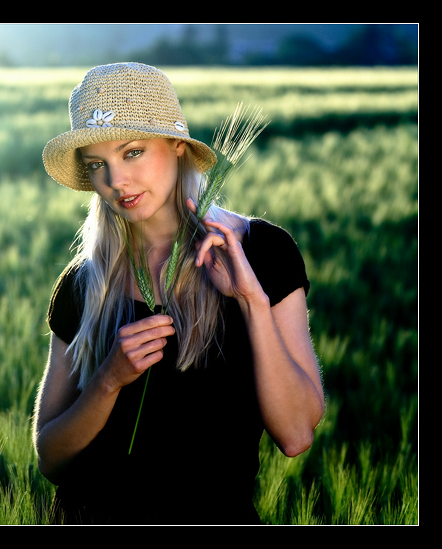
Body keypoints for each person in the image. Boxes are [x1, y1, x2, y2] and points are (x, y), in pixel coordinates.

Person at [33, 62, 325, 525]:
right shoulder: (84, 283)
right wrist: (108, 379)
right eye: (97, 165)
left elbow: (295, 436)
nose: (116, 181)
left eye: (132, 152)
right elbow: (52, 460)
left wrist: (252, 300)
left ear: (177, 146)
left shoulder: (261, 252)